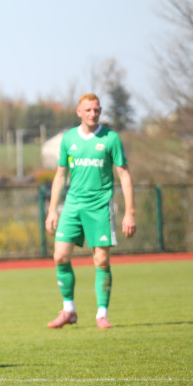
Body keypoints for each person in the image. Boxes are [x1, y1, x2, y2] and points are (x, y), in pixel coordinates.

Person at [45, 93, 135, 330]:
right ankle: (68, 310)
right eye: (88, 110)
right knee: (60, 256)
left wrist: (129, 212)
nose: (93, 114)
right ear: (78, 112)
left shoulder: (111, 138)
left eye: (96, 110)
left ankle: (102, 314)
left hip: (100, 205)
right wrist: (52, 209)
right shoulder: (69, 139)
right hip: (73, 205)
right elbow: (60, 175)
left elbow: (124, 175)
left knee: (101, 260)